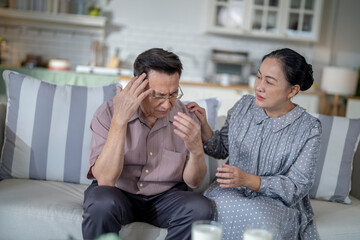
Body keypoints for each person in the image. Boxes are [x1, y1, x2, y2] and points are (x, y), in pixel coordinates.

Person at [187, 48, 322, 240]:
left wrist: (248, 180)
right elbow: (221, 147)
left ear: (292, 90)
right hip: (230, 192)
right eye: (259, 77)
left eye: (269, 82)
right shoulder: (243, 105)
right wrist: (204, 126)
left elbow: (296, 187)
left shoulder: (309, 128)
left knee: (260, 222)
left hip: (276, 202)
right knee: (212, 208)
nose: (259, 86)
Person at [82, 48, 213, 240]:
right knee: (101, 202)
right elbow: (106, 181)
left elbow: (194, 182)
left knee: (200, 207)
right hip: (118, 192)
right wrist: (120, 120)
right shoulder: (109, 113)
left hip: (166, 197)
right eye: (159, 95)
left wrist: (196, 150)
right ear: (138, 86)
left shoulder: (185, 116)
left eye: (173, 94)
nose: (167, 105)